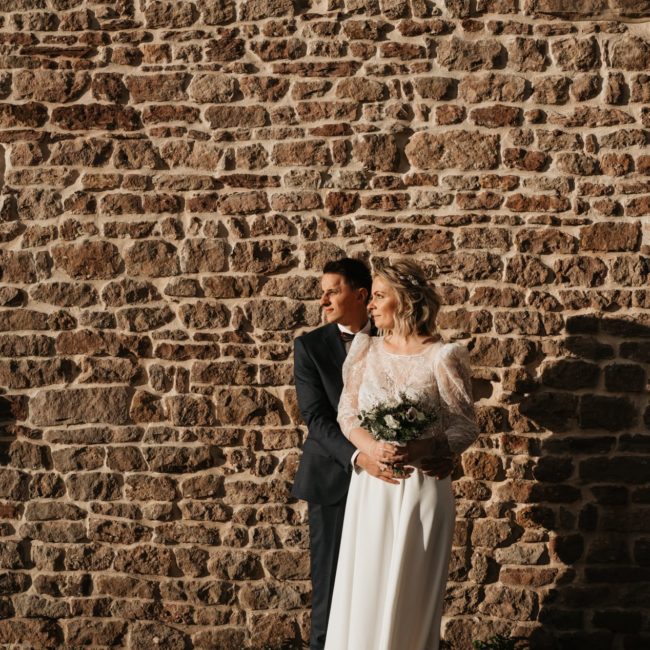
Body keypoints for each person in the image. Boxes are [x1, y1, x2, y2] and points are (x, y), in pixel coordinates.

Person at [291, 258, 453, 650]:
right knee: (333, 590)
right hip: (335, 476)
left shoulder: (415, 347)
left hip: (398, 485)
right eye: (323, 291)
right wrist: (361, 457)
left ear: (361, 295)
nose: (323, 299)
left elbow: (443, 417)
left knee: (394, 583)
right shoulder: (310, 346)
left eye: (332, 290)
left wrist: (435, 450)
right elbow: (318, 416)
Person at [324, 259, 479, 650]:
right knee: (366, 587)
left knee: (411, 590)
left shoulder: (443, 356)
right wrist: (372, 448)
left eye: (378, 297)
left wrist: (426, 446)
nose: (370, 305)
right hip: (373, 486)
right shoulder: (364, 348)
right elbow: (347, 415)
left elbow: (464, 424)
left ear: (405, 302)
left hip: (422, 489)